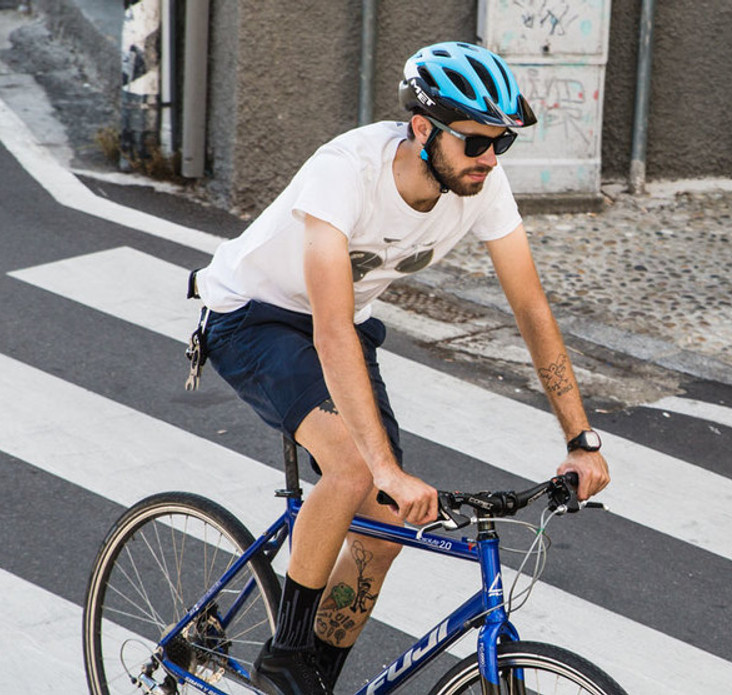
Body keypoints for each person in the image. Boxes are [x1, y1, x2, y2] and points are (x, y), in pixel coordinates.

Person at [185, 41, 610, 695]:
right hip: (253, 316)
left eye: (503, 142)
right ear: (423, 129)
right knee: (356, 471)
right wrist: (381, 467)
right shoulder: (347, 171)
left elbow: (531, 309)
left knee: (384, 535)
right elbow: (328, 329)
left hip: (340, 328)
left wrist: (580, 439)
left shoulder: (480, 187)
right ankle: (286, 654)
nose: (490, 159)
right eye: (475, 143)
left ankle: (315, 683)